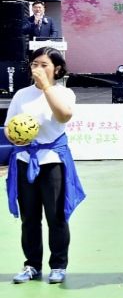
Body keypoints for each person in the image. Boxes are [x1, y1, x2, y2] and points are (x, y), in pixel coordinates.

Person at [4, 47, 84, 284]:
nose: (37, 69)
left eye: (44, 65)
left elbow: (63, 116)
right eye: (34, 64)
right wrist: (14, 137)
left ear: (57, 69)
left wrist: (46, 87)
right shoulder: (22, 95)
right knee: (29, 217)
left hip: (52, 161)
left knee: (56, 216)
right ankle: (32, 265)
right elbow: (8, 126)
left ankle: (58, 265)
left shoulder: (64, 93)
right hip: (24, 160)